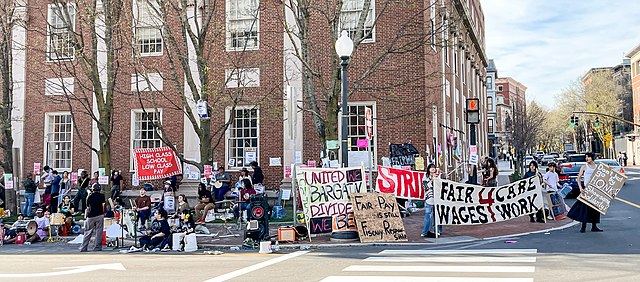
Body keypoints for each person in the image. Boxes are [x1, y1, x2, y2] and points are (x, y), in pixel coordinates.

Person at [567, 152, 604, 233]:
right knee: (585, 208)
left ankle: (594, 226)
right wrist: (580, 188)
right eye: (586, 157)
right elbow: (578, 178)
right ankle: (583, 227)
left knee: (595, 209)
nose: (587, 159)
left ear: (592, 158)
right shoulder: (584, 167)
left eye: (588, 157)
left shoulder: (597, 167)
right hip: (586, 190)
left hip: (595, 190)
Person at [80, 183, 106, 252]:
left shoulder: (89, 196)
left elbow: (87, 207)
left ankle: (84, 247)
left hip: (90, 216)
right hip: (99, 215)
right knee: (99, 231)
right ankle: (97, 247)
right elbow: (103, 205)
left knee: (88, 231)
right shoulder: (102, 196)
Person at [421, 164, 443, 238]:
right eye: (431, 168)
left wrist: (438, 175)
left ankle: (438, 231)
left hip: (437, 199)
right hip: (429, 200)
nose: (433, 169)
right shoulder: (425, 177)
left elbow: (441, 185)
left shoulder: (437, 176)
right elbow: (425, 186)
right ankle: (425, 231)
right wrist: (432, 180)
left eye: (434, 168)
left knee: (438, 215)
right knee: (428, 216)